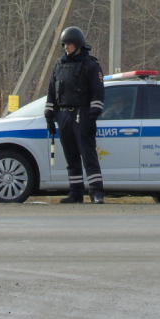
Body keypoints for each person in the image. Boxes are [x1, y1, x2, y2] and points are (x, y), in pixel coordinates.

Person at [45, 26, 106, 204]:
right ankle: (75, 192)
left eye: (69, 44)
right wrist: (50, 116)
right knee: (71, 157)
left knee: (88, 156)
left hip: (82, 114)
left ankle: (97, 192)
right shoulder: (59, 66)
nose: (66, 47)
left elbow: (98, 92)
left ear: (78, 44)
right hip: (63, 116)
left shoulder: (90, 65)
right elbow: (51, 93)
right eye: (64, 44)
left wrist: (92, 116)